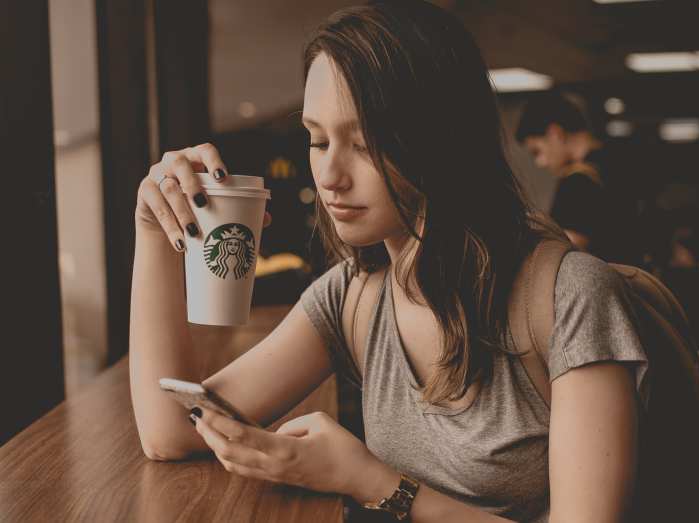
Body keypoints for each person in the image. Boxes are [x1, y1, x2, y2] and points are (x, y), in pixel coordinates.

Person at [131, 2, 662, 521]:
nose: (330, 176)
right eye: (317, 140)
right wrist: (154, 229)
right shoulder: (352, 295)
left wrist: (374, 482)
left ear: (442, 142)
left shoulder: (571, 296)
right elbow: (173, 431)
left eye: (365, 144)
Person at [515, 92, 640, 266]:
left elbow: (565, 256)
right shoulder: (621, 162)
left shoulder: (577, 182)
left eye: (537, 151)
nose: (540, 163)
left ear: (555, 133)